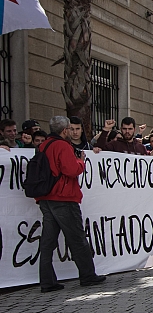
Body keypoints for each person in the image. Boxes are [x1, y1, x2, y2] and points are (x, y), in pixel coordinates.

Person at [36, 116, 106, 292]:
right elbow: (71, 170)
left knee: (47, 241)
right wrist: (81, 161)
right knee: (77, 238)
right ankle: (88, 275)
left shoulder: (43, 145)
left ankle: (47, 281)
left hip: (46, 198)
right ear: (65, 130)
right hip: (64, 198)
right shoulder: (62, 146)